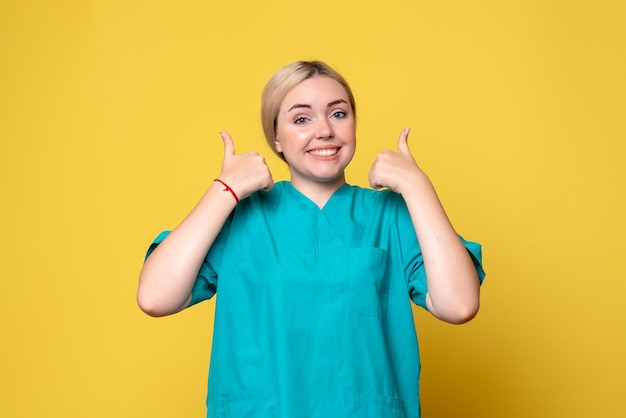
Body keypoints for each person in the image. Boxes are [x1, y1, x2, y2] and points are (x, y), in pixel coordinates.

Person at [137, 60, 486, 418]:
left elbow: (459, 305)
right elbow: (155, 297)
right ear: (276, 138)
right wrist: (224, 191)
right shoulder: (239, 215)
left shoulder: (391, 214)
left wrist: (418, 186)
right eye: (302, 119)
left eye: (338, 114)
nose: (324, 131)